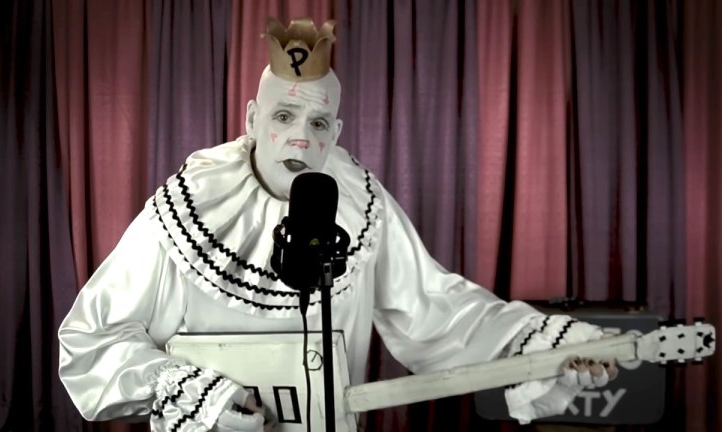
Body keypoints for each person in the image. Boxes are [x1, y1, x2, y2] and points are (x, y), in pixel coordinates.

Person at [58, 17, 617, 432]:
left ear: (337, 131)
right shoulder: (188, 206)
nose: (301, 138)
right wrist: (192, 393)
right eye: (284, 116)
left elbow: (435, 310)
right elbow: (90, 341)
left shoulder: (360, 204)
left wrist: (541, 343)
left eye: (319, 122)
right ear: (252, 119)